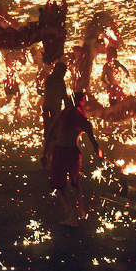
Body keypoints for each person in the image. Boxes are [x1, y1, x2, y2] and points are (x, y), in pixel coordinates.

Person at [41, 92, 102, 227]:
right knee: (75, 183)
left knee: (59, 187)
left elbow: (50, 133)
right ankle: (81, 212)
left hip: (61, 152)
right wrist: (100, 157)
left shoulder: (63, 114)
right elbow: (94, 142)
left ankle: (72, 217)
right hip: (74, 153)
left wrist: (45, 153)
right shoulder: (83, 120)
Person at [0, 47, 28, 120]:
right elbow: (23, 62)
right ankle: (15, 114)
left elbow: (23, 62)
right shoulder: (12, 54)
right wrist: (23, 54)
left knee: (9, 99)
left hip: (10, 78)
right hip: (10, 78)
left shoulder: (11, 54)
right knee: (17, 95)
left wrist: (23, 55)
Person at [41, 61, 69, 140]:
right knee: (54, 124)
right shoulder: (59, 81)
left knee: (48, 124)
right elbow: (63, 94)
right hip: (54, 106)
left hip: (47, 105)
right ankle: (52, 141)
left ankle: (48, 140)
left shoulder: (49, 78)